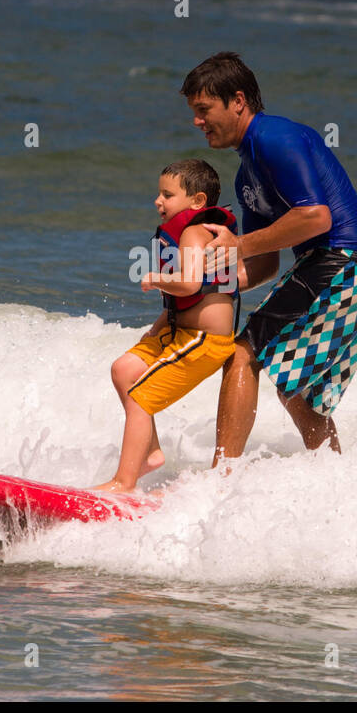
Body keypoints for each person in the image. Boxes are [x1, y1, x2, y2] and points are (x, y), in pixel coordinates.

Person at [180, 52, 357, 467]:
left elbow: (315, 217)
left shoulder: (275, 138)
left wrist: (238, 244)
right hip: (352, 271)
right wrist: (207, 281)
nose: (197, 122)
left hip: (346, 263)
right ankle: (335, 477)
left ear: (237, 101)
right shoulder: (247, 176)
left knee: (244, 352)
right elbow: (265, 264)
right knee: (299, 393)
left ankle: (220, 478)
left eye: (204, 110)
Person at [91, 159, 244, 492]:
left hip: (205, 340)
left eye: (167, 194)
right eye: (158, 193)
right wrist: (156, 329)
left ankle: (123, 482)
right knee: (123, 369)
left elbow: (189, 285)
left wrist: (157, 279)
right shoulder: (183, 233)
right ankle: (151, 454)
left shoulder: (193, 232)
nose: (158, 201)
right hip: (177, 332)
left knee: (141, 395)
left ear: (198, 202)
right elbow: (184, 300)